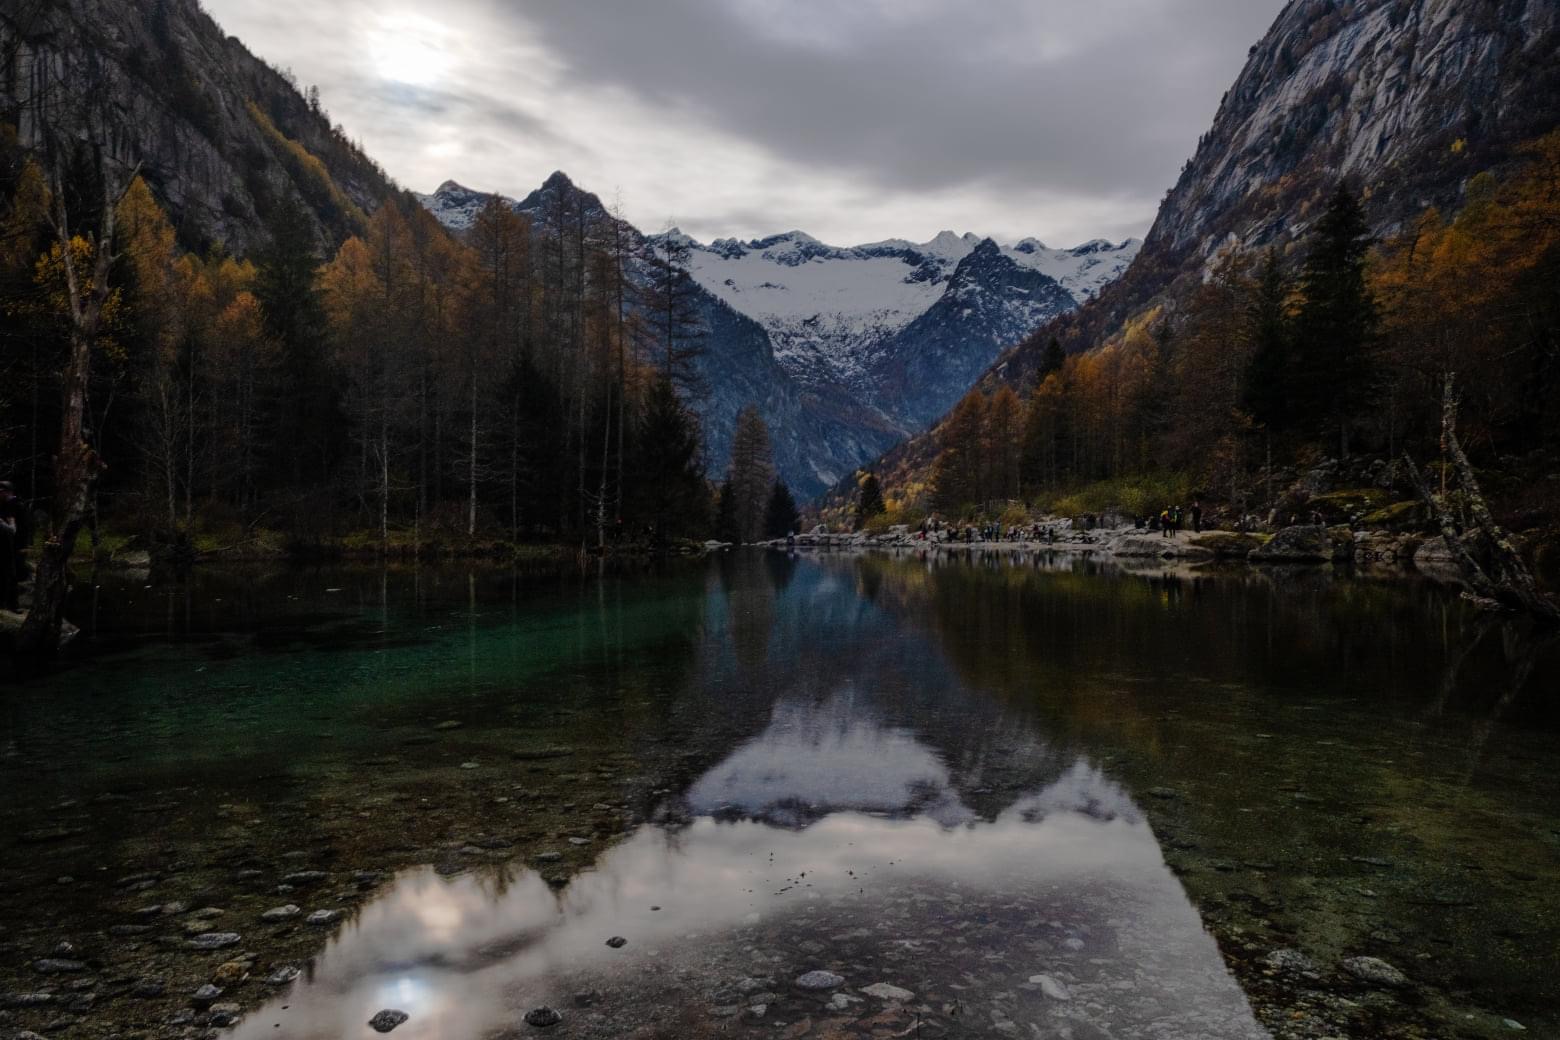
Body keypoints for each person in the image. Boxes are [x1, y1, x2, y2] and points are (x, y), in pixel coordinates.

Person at [0, 482, 19, 611]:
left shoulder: (15, 505)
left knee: (10, 576)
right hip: (5, 546)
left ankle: (11, 604)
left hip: (8, 547)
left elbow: (14, 530)